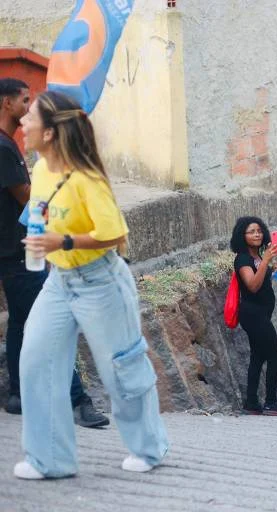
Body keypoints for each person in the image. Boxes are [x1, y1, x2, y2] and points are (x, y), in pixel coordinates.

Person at [15, 91, 169, 479]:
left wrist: (61, 241)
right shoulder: (40, 169)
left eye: (29, 118)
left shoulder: (87, 178)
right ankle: (50, 461)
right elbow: (42, 214)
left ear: (50, 133)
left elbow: (113, 234)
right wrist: (42, 240)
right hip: (57, 280)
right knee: (36, 362)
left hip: (99, 279)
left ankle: (149, 448)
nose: (22, 123)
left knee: (121, 367)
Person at [0, 78, 108, 427]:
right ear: (6, 103)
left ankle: (19, 395)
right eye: (24, 100)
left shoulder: (9, 144)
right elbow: (32, 200)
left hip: (15, 251)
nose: (29, 108)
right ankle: (78, 401)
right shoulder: (3, 147)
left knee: (20, 322)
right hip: (20, 253)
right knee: (56, 326)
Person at [231, 216, 277, 416]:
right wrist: (266, 260)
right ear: (242, 236)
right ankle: (270, 402)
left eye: (259, 230)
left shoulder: (258, 257)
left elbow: (262, 280)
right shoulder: (243, 258)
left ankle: (251, 403)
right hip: (253, 314)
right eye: (251, 231)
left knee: (258, 357)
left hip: (261, 313)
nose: (257, 234)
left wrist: (273, 268)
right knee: (276, 356)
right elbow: (252, 285)